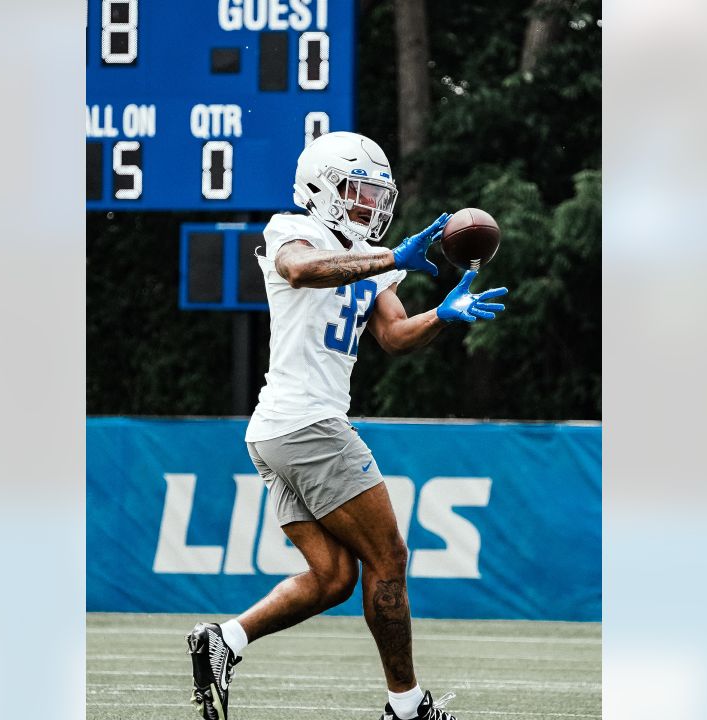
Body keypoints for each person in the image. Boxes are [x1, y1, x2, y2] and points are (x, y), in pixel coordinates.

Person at [187, 131, 507, 720]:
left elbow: (393, 336)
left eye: (378, 194)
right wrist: (391, 258)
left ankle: (224, 640)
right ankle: (407, 708)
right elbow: (303, 270)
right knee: (390, 557)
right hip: (307, 422)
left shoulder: (369, 258)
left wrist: (442, 314)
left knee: (334, 576)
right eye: (360, 190)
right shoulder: (292, 229)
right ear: (322, 188)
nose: (372, 205)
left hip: (280, 430)